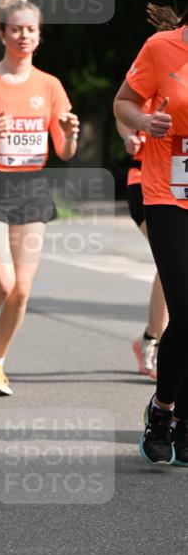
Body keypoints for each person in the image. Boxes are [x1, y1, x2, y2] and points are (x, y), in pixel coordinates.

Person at [0, 0, 80, 397]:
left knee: (22, 289)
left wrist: (71, 135)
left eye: (31, 29)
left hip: (31, 187)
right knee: (3, 282)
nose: (24, 35)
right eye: (16, 29)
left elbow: (63, 151)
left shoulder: (50, 85)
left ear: (39, 36)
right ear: (1, 32)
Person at [113, 0, 188, 467]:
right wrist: (143, 121)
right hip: (167, 192)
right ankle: (163, 410)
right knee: (185, 305)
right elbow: (123, 101)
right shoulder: (162, 48)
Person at [116, 100, 168, 379]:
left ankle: (152, 338)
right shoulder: (156, 66)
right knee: (172, 258)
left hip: (182, 184)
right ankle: (154, 341)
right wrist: (129, 136)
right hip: (147, 182)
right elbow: (122, 108)